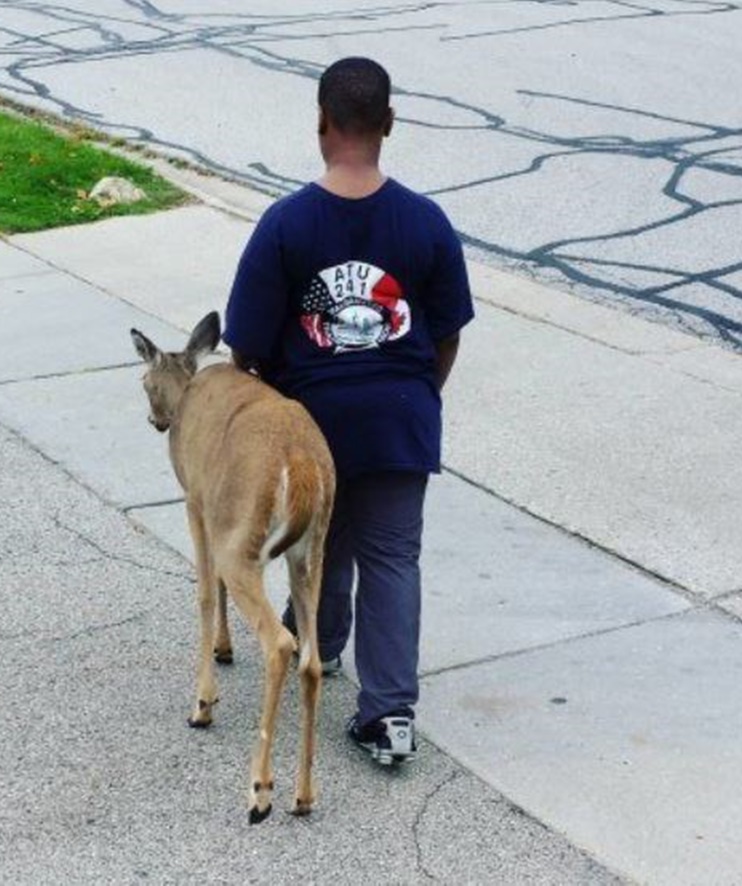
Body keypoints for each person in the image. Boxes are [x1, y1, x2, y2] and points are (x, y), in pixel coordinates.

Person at [222, 57, 474, 766]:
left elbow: (243, 345)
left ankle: (318, 646)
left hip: (313, 422)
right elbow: (447, 331)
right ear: (389, 125)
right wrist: (418, 392)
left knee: (317, 539)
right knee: (393, 556)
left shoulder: (286, 224)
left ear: (321, 124)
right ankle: (389, 715)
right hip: (402, 415)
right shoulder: (425, 222)